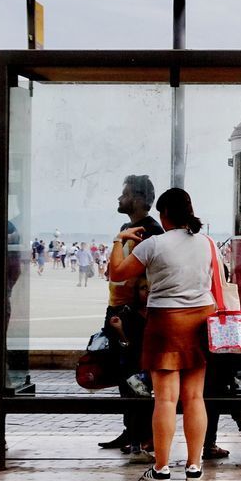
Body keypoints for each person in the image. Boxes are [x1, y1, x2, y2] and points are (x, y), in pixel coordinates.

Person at [109, 187, 214, 481]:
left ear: (163, 214)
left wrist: (120, 240)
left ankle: (162, 467)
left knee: (166, 399)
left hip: (165, 321)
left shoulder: (153, 245)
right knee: (195, 397)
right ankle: (194, 466)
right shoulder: (206, 243)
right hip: (200, 319)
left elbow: (117, 273)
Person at [97, 175, 161, 459]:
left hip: (134, 315)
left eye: (123, 194)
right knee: (125, 375)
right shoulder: (128, 228)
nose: (118, 199)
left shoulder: (150, 232)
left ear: (136, 199)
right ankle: (130, 429)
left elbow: (140, 274)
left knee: (137, 374)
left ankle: (142, 433)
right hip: (119, 311)